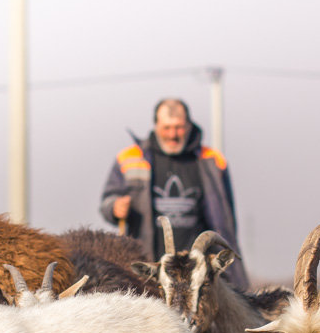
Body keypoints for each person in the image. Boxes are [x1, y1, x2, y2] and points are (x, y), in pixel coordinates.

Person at [99, 98, 249, 287]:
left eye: (178, 127)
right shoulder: (129, 157)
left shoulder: (211, 160)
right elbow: (107, 201)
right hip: (149, 268)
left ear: (189, 125)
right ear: (156, 126)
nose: (173, 134)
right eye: (167, 128)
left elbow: (227, 217)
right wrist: (114, 207)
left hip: (200, 271)